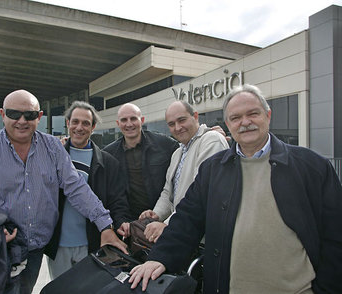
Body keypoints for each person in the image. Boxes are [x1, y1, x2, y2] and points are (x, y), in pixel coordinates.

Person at [128, 84, 342, 294]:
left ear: (268, 115)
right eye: (236, 117)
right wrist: (159, 258)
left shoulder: (312, 167)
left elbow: (335, 235)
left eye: (253, 114)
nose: (245, 122)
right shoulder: (212, 170)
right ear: (228, 125)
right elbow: (187, 219)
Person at [0, 90, 126, 294]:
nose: (22, 121)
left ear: (39, 117)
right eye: (14, 114)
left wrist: (105, 225)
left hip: (35, 251)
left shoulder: (53, 148)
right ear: (3, 115)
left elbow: (77, 188)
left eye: (29, 115)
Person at [44, 101, 130, 279]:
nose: (79, 127)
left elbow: (117, 202)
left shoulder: (109, 163)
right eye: (75, 122)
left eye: (85, 123)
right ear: (67, 123)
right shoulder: (51, 157)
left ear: (93, 127)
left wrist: (120, 223)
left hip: (92, 244)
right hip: (58, 246)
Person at [139, 100, 229, 243]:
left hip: (203, 239)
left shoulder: (211, 140)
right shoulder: (177, 153)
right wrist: (156, 214)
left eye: (182, 120)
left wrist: (167, 225)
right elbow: (168, 192)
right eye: (171, 124)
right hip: (181, 232)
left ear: (195, 116)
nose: (177, 127)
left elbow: (201, 194)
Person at [103, 103, 180, 228]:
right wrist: (120, 221)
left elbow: (188, 149)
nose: (129, 124)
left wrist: (205, 133)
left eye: (133, 118)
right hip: (131, 224)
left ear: (142, 120)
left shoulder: (165, 145)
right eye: (124, 120)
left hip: (162, 219)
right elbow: (113, 195)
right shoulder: (109, 154)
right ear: (118, 124)